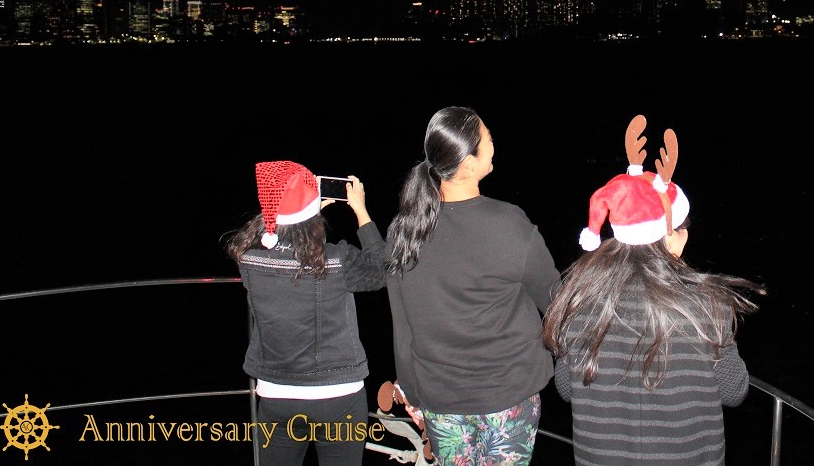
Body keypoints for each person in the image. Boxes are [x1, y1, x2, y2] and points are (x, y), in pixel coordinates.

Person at [542, 115, 766, 466]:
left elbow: (567, 389)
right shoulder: (708, 307)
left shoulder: (579, 302)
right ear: (670, 236)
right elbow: (734, 391)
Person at [385, 106, 560, 466]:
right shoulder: (509, 224)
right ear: (467, 164)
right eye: (489, 138)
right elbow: (557, 301)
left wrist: (412, 394)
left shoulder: (403, 232)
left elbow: (403, 329)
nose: (495, 144)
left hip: (440, 401)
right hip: (509, 398)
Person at [223, 160, 388, 466]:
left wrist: (304, 213)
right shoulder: (338, 259)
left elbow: (281, 244)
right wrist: (361, 211)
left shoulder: (248, 259)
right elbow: (381, 270)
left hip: (278, 398)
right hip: (339, 399)